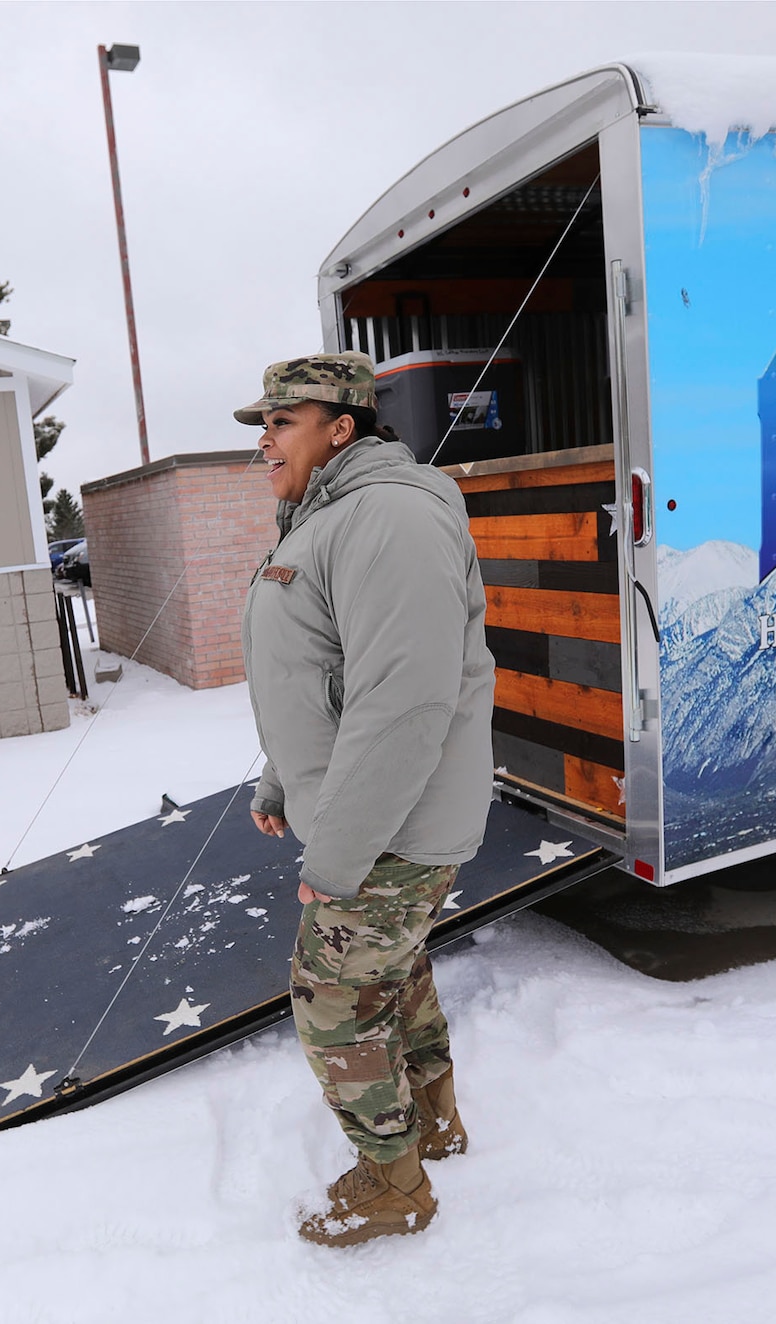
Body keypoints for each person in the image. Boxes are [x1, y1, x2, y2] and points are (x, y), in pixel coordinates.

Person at [238, 354, 495, 1246]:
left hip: (395, 821)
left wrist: (337, 855)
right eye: (261, 426)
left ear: (341, 428)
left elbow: (403, 702)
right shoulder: (322, 516)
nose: (263, 442)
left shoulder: (386, 517)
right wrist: (283, 776)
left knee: (334, 1000)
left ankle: (395, 1186)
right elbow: (317, 675)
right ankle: (432, 1125)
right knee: (395, 972)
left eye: (281, 423)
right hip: (373, 813)